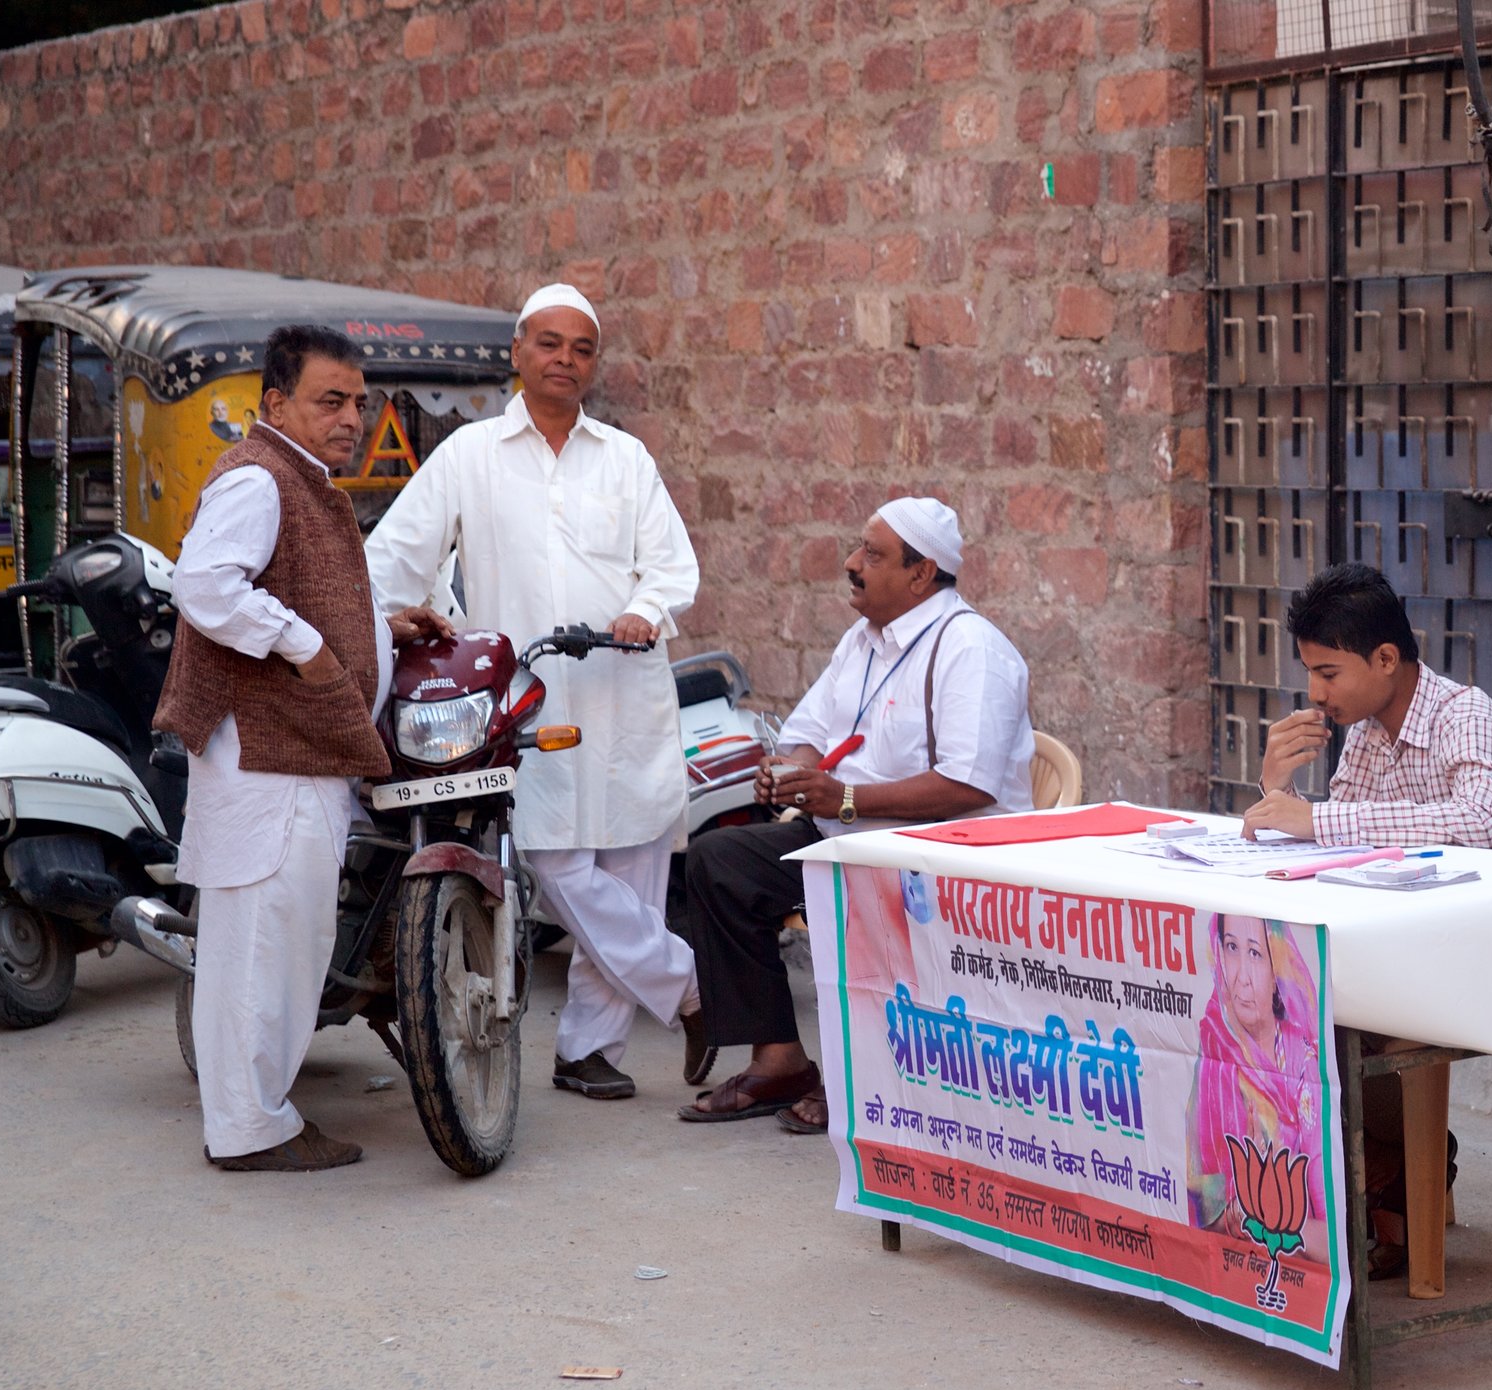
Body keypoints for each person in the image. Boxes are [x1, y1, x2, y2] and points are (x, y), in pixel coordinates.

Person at [363, 283, 701, 1103]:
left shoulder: (624, 458)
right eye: (549, 344)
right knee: (553, 861)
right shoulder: (470, 455)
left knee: (629, 873)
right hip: (525, 699)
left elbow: (673, 566)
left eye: (581, 348)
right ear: (517, 352)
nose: (565, 360)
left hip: (625, 693)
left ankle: (589, 1051)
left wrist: (643, 610)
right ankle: (695, 988)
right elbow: (393, 558)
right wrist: (417, 620)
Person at [156, 325, 452, 1172]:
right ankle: (251, 1130)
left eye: (359, 402)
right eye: (332, 400)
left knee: (269, 941)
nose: (352, 416)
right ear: (276, 402)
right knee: (266, 945)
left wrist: (380, 633)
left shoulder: (295, 478)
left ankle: (253, 1118)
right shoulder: (259, 477)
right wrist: (305, 646)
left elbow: (285, 585)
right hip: (270, 757)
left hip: (286, 755)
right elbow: (206, 584)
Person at [678, 497, 1034, 1133]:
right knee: (718, 861)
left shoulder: (971, 648)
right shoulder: (862, 641)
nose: (851, 563)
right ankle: (780, 1060)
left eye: (872, 555)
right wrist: (791, 773)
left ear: (922, 574)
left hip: (941, 852)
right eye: (858, 549)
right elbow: (806, 731)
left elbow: (968, 783)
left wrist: (843, 798)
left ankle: (875, 1081)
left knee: (862, 894)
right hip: (850, 837)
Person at [1240, 561, 1492, 1274]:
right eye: (1311, 673)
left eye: (1329, 672)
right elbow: (1337, 837)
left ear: (1385, 659)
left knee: (1339, 1011)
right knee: (1288, 999)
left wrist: (1316, 819)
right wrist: (1276, 788)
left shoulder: (1463, 715)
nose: (1315, 693)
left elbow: (1475, 821)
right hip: (1398, 946)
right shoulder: (1371, 731)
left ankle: (1399, 1179)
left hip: (1485, 958)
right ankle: (1390, 1173)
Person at [1190, 914, 1324, 1242]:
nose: (1243, 978)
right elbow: (1200, 1209)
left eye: (1255, 954)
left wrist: (1278, 1220)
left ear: (1277, 967)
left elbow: (1331, 1236)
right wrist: (1236, 1216)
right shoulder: (1213, 1047)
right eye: (1232, 947)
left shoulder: (1303, 1059)